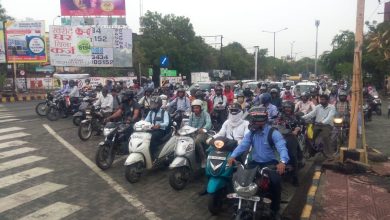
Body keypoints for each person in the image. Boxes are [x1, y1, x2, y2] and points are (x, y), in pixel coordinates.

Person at [228, 106, 289, 219]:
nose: (259, 122)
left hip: (270, 163)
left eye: (261, 119)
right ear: (252, 120)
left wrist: (283, 161)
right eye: (256, 119)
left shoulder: (273, 133)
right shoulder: (251, 133)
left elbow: (282, 147)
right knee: (239, 178)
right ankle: (237, 203)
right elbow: (243, 145)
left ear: (265, 119)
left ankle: (275, 210)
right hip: (255, 162)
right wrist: (233, 156)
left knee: (276, 183)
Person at [274, 101, 303, 186]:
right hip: (279, 136)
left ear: (292, 108)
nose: (287, 109)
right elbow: (276, 123)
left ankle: (295, 177)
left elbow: (298, 126)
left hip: (290, 136)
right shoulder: (279, 115)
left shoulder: (295, 116)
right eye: (285, 107)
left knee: (292, 155)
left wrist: (295, 130)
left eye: (289, 107)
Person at [188, 99, 212, 167]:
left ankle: (203, 159)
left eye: (197, 108)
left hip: (203, 133)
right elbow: (189, 125)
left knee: (196, 141)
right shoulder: (191, 115)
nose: (195, 109)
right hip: (193, 133)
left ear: (201, 107)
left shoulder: (205, 114)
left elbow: (209, 123)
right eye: (194, 108)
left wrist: (204, 128)